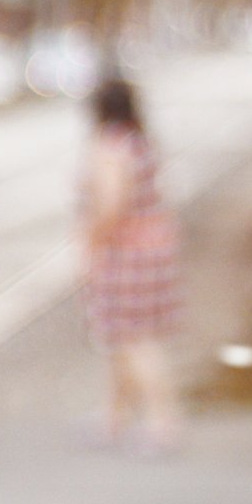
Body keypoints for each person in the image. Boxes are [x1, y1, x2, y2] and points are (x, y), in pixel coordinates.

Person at [78, 76, 186, 456]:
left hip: (124, 254)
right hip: (154, 248)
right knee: (121, 339)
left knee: (134, 339)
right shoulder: (139, 141)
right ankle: (114, 418)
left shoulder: (109, 147)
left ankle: (163, 423)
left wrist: (92, 245)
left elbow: (111, 206)